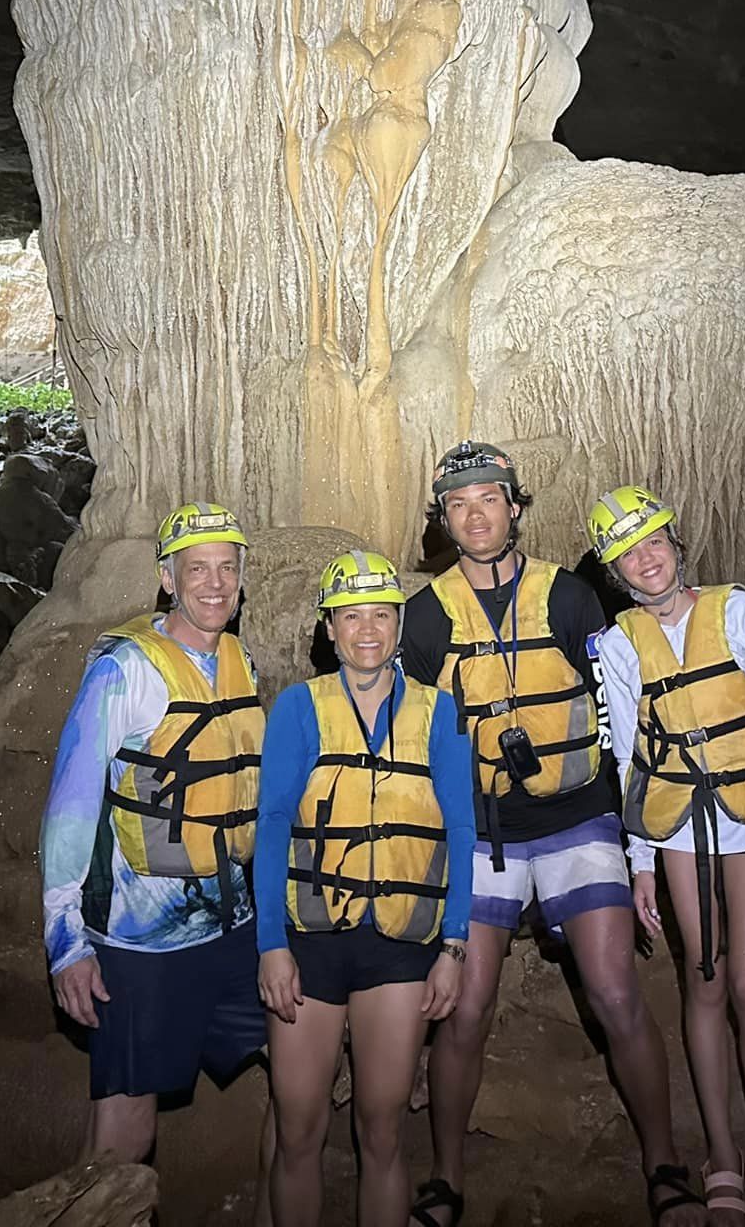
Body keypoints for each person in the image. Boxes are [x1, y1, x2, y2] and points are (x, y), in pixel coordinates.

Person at [401, 442, 705, 1226]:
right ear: (444, 519)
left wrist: (640, 837)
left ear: (515, 506)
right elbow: (418, 735)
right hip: (482, 831)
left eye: (489, 499)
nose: (476, 515)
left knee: (613, 991)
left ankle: (664, 1163)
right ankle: (445, 1177)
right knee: (466, 1010)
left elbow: (620, 710)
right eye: (459, 504)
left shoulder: (569, 598)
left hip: (577, 817)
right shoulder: (428, 616)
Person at [588, 486, 745, 1224]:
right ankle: (722, 1155)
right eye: (631, 552)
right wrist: (638, 862)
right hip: (675, 823)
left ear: (675, 543)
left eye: (655, 541)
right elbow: (626, 758)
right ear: (617, 571)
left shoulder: (736, 609)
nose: (648, 558)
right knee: (705, 979)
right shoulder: (620, 641)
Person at [38, 501, 274, 1204]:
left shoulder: (241, 659)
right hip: (142, 946)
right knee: (124, 1130)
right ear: (167, 578)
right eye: (196, 569)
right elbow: (71, 808)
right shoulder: (124, 672)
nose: (213, 583)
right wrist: (64, 943)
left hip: (235, 931)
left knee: (300, 1072)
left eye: (226, 569)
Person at [255, 550, 475, 1227]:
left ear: (400, 622)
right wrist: (271, 945)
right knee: (298, 1131)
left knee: (381, 1132)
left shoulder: (441, 714)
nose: (367, 629)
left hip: (402, 945)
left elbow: (461, 830)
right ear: (329, 628)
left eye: (381, 614)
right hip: (311, 941)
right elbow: (271, 824)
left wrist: (455, 944)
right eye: (352, 616)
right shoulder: (298, 707)